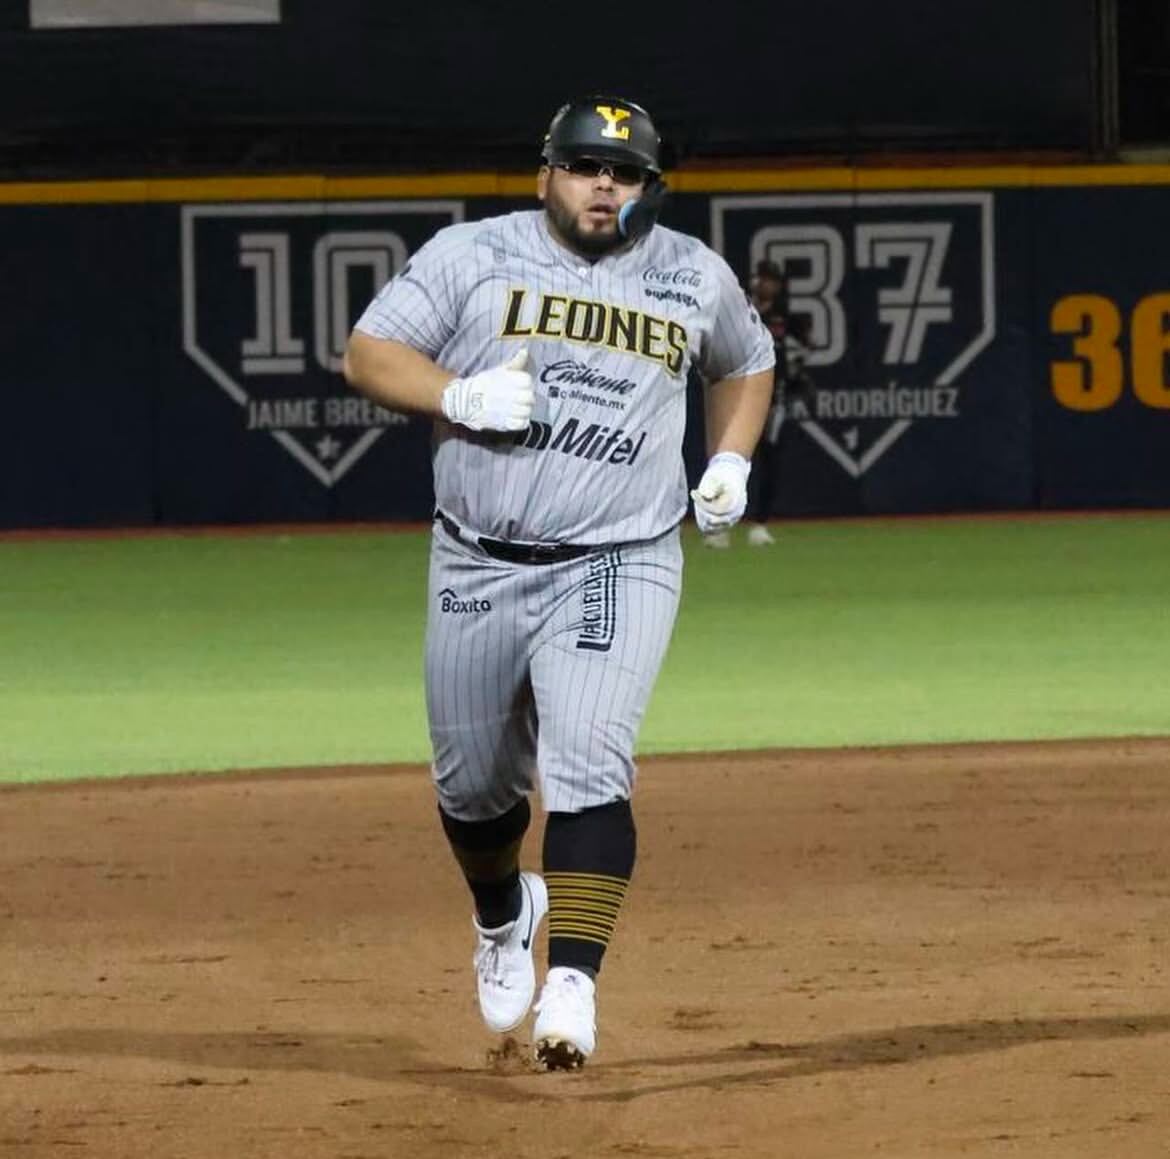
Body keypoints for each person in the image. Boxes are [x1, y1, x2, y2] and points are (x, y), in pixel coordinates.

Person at [343, 95, 774, 1070]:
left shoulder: (687, 275)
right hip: (476, 560)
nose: (603, 184)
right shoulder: (471, 257)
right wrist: (451, 390)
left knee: (589, 761)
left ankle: (574, 980)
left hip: (618, 557)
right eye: (585, 166)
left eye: (624, 172)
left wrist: (733, 458)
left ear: (648, 190)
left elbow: (747, 362)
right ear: (546, 174)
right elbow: (369, 354)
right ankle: (502, 911)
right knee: (473, 794)